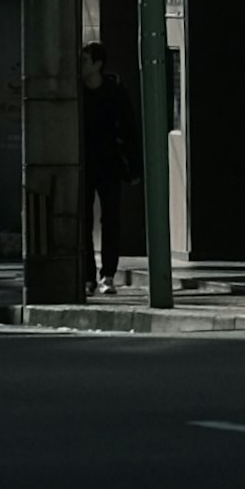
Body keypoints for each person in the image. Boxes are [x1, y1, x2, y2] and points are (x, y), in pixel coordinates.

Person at [78, 34, 141, 296]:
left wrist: (134, 167)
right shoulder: (76, 92)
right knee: (82, 221)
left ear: (98, 64)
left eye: (84, 61)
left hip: (109, 164)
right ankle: (88, 277)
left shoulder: (113, 91)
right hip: (82, 164)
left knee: (110, 219)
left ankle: (108, 275)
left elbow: (128, 128)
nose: (80, 66)